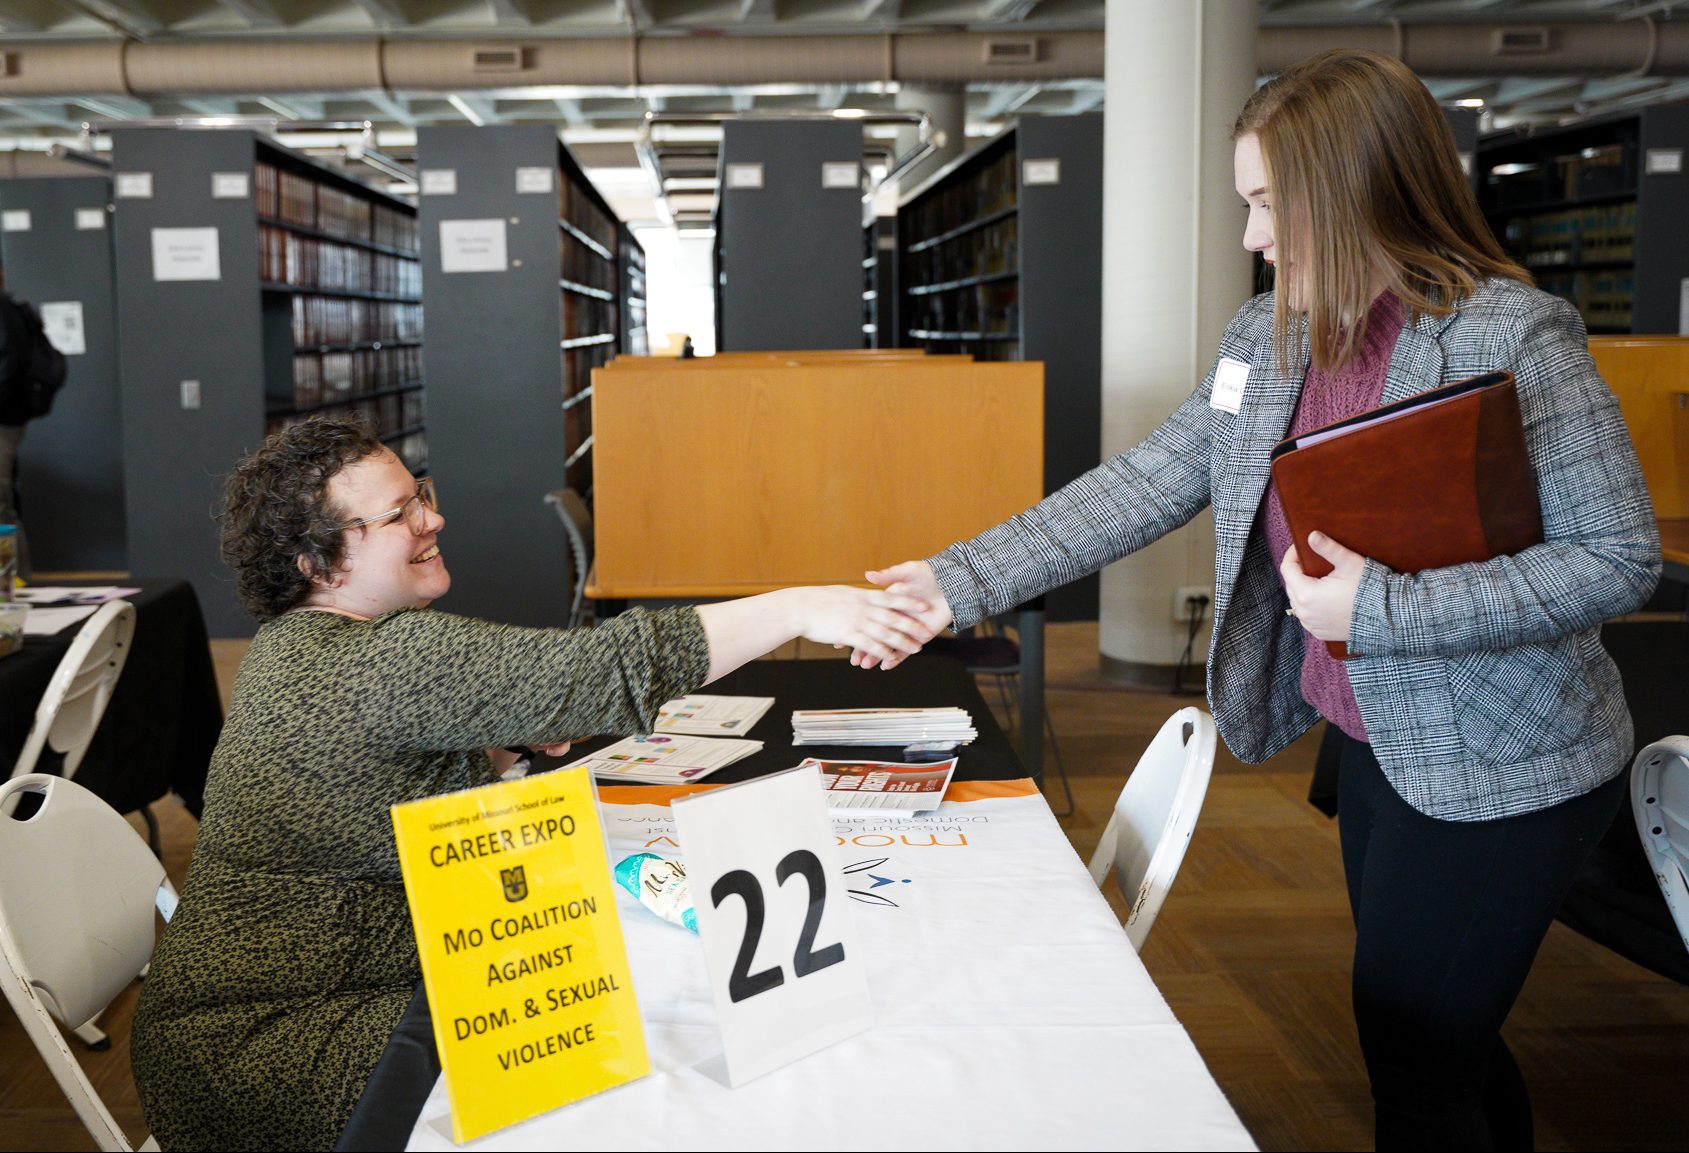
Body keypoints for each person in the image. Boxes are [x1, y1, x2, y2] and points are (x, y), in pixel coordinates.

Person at [860, 50, 1661, 1152]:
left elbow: (1615, 557)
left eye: (1269, 204)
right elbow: (1146, 480)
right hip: (1375, 740)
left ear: (1354, 188)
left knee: (1416, 1051)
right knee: (1440, 1037)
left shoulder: (1512, 338)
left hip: (1507, 754)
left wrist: (1383, 613)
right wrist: (958, 579)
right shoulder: (1268, 334)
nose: (1251, 236)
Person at [130, 416, 934, 1151]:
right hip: (275, 1053)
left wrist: (492, 748)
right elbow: (605, 669)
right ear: (318, 562)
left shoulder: (290, 645)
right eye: (399, 514)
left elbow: (369, 793)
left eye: (421, 495)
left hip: (299, 1010)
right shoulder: (382, 658)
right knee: (628, 1063)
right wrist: (798, 607)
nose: (433, 519)